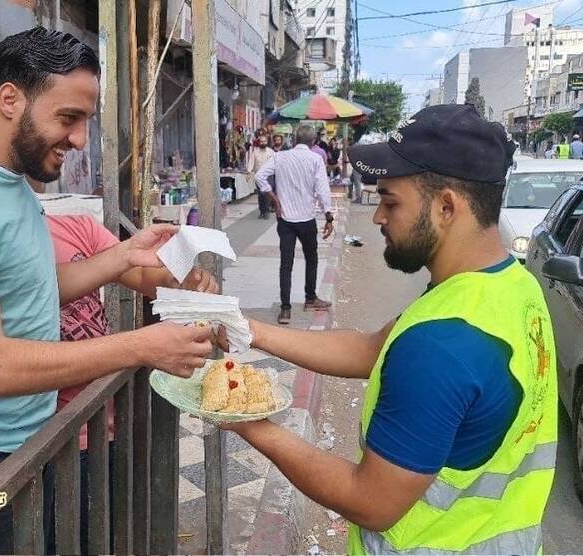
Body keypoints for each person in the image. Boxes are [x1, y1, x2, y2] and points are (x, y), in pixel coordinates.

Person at [0, 28, 215, 553]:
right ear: (10, 99)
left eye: (85, 120)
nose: (80, 140)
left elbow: (31, 289)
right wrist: (139, 347)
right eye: (69, 119)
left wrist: (118, 259)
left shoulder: (11, 182)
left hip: (23, 439)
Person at [219, 104, 557, 555]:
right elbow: (371, 349)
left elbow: (370, 502)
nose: (377, 217)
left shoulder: (440, 345)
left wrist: (244, 420)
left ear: (446, 206)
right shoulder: (512, 287)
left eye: (390, 201)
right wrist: (248, 331)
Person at [255, 124, 334, 325]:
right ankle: (310, 298)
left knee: (286, 264)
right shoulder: (316, 159)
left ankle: (285, 310)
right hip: (307, 218)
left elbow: (259, 176)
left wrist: (274, 199)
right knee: (312, 258)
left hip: (285, 220)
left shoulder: (280, 157)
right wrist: (329, 216)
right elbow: (323, 189)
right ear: (313, 141)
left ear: (295, 140)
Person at [247, 133, 276, 219]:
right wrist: (248, 172)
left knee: (267, 193)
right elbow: (251, 162)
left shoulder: (271, 152)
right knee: (261, 194)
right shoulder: (255, 152)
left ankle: (267, 211)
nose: (263, 143)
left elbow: (276, 162)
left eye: (264, 141)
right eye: (261, 141)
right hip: (259, 176)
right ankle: (262, 211)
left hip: (269, 176)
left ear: (267, 142)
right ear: (259, 142)